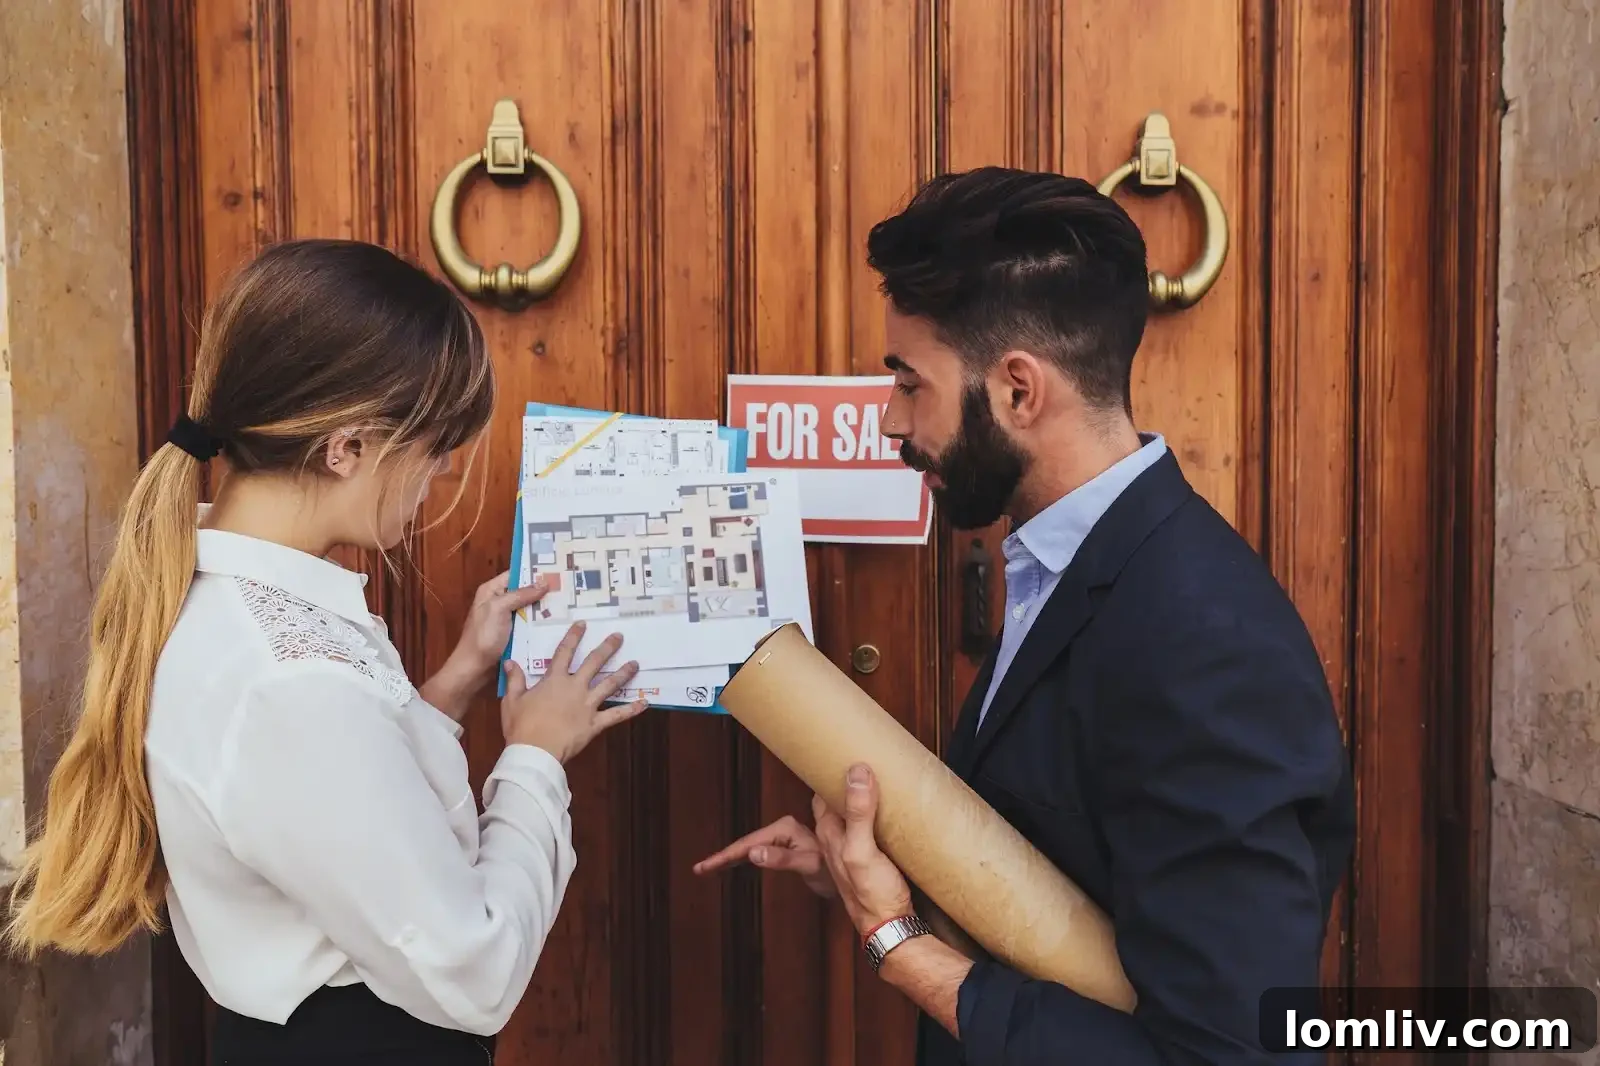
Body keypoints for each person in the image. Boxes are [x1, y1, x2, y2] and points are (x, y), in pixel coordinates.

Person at [695, 168, 1356, 1065]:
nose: (890, 422)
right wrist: (894, 880)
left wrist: (899, 942)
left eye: (909, 383)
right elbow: (1072, 886)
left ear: (1017, 390)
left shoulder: (1207, 643)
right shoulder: (1069, 560)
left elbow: (1229, 1054)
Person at [5, 238, 647, 1064]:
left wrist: (452, 681)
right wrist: (536, 755)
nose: (443, 469)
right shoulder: (289, 677)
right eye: (433, 441)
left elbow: (336, 802)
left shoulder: (242, 609)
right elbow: (475, 969)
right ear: (346, 447)